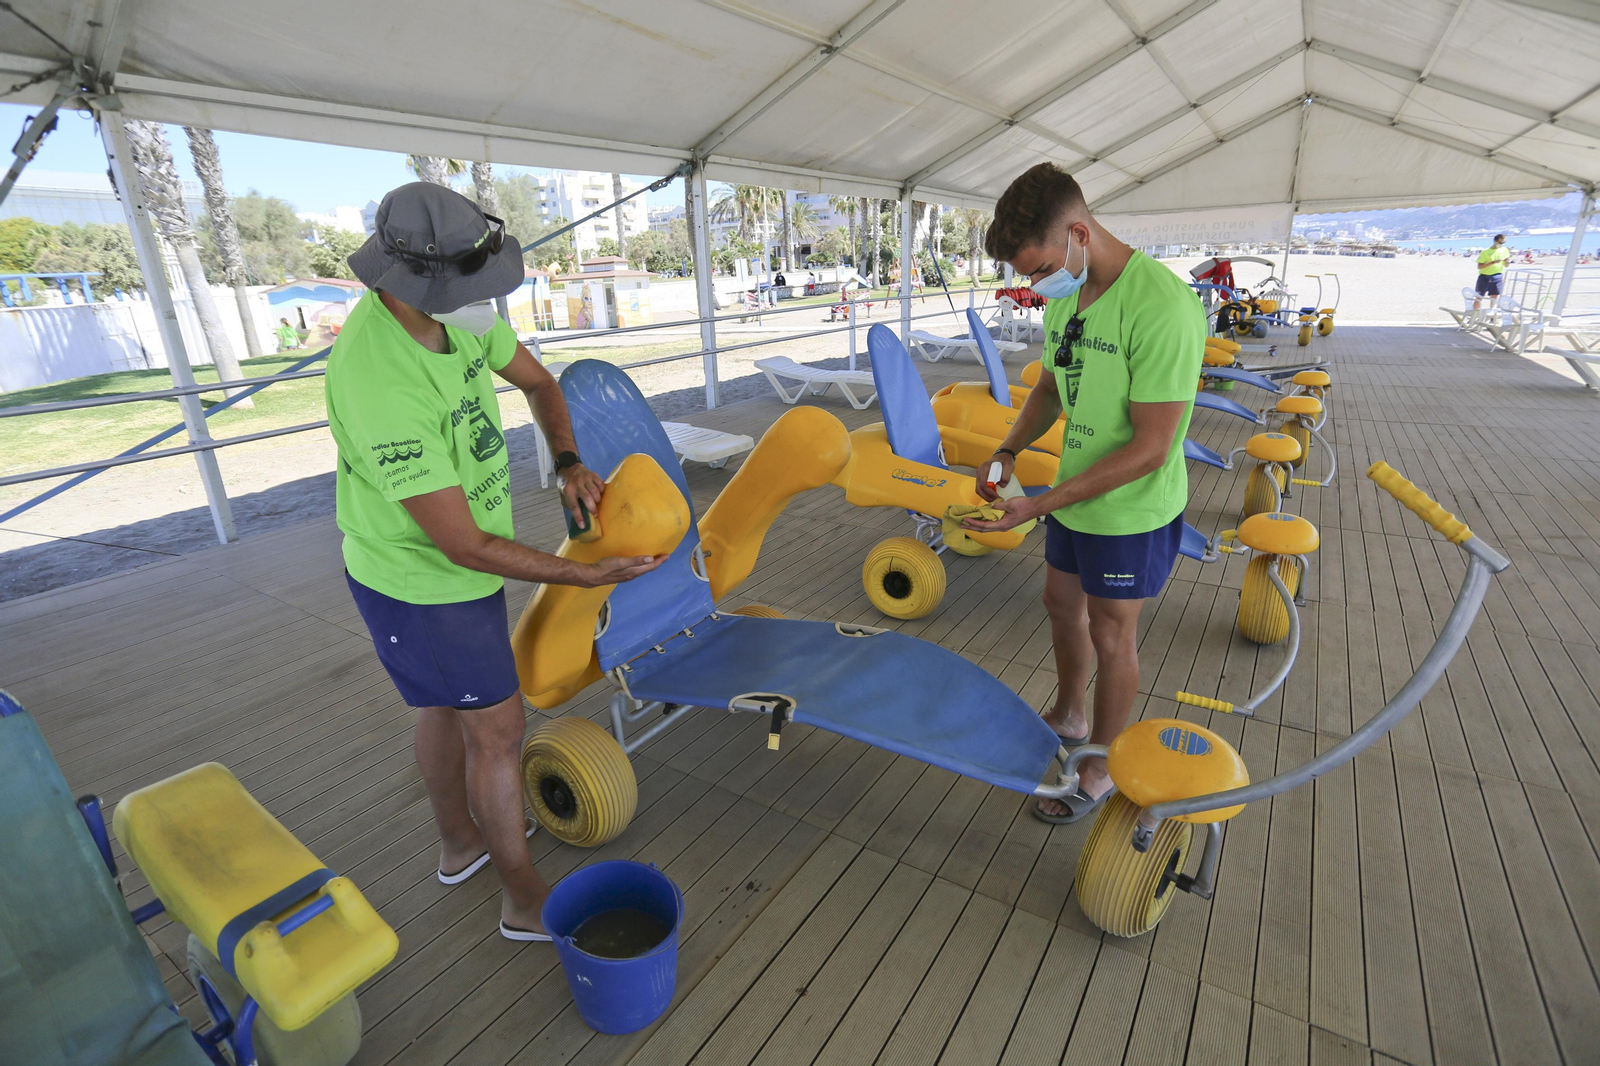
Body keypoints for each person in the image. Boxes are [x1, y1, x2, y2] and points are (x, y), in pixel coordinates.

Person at [329, 182, 665, 941]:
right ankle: (520, 897)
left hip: (458, 569)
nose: (485, 300)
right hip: (421, 580)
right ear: (416, 283)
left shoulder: (460, 318)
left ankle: (461, 844)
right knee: (499, 731)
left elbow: (542, 383)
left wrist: (570, 460)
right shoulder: (378, 378)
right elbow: (463, 545)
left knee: (445, 706)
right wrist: (585, 574)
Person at [962, 163, 1205, 824]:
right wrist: (1008, 449)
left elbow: (1152, 445)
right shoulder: (1068, 295)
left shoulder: (1161, 306)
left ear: (1078, 232)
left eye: (1038, 269)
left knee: (1111, 631)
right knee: (1057, 601)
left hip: (1132, 507)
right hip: (1073, 497)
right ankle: (1070, 711)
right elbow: (1048, 386)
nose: (1035, 286)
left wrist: (1038, 502)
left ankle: (1100, 762)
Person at [1474, 233, 1510, 310]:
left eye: (1504, 243)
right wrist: (1492, 262)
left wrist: (1507, 262)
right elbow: (1479, 266)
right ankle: (1472, 315)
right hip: (1484, 276)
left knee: (1494, 296)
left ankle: (1492, 314)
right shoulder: (1485, 252)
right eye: (1500, 243)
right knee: (1479, 297)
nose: (1502, 244)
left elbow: (1506, 265)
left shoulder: (1504, 250)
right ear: (1495, 241)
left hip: (1497, 275)